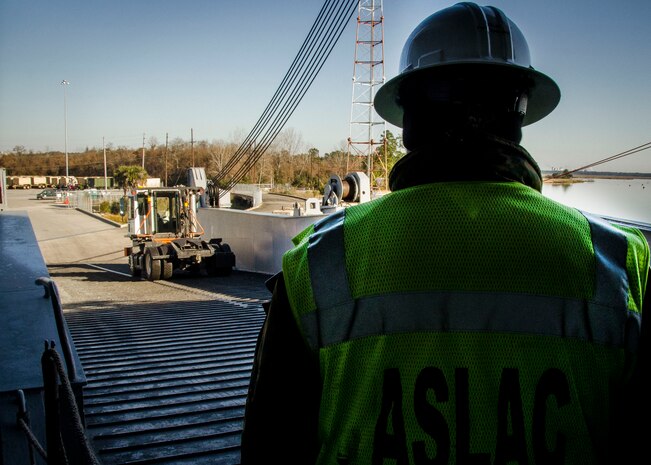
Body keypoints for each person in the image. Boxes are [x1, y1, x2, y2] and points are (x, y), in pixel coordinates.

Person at [241, 3, 650, 464]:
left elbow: (269, 448)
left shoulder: (321, 261)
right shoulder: (618, 261)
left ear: (408, 118)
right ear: (520, 112)